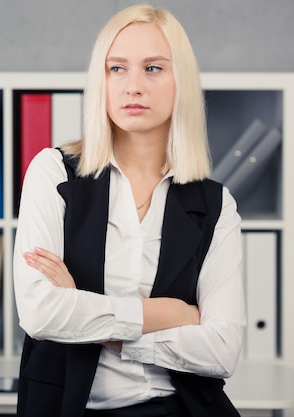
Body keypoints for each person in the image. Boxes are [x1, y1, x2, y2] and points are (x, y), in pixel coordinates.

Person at [13, 4, 246, 417]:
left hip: (183, 409)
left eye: (153, 68)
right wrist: (167, 315)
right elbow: (41, 312)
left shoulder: (215, 203)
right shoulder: (53, 173)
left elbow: (222, 351)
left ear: (181, 82)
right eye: (116, 68)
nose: (132, 86)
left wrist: (93, 318)